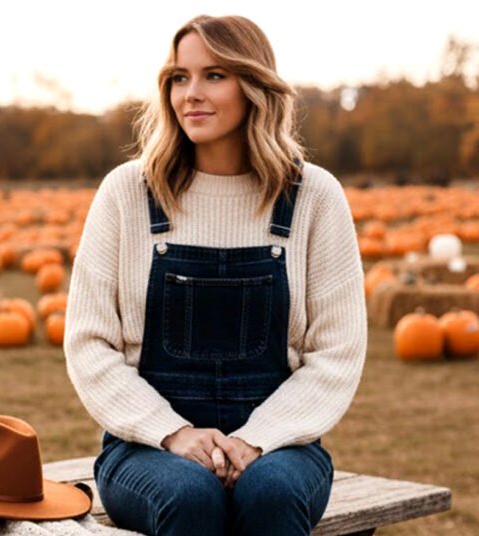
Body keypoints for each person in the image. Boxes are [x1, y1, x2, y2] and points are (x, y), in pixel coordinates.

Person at [63, 14, 367, 536]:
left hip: (282, 447)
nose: (191, 95)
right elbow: (90, 347)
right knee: (188, 495)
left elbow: (336, 355)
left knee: (271, 494)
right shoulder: (127, 193)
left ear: (255, 86)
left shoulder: (314, 198)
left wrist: (257, 439)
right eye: (180, 78)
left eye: (214, 76)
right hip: (147, 448)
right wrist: (174, 432)